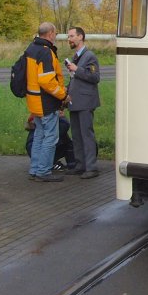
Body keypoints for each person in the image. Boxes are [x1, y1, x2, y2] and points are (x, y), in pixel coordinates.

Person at [25, 22, 67, 182]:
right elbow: (47, 81)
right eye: (55, 34)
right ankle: (43, 171)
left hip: (33, 100)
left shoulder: (31, 49)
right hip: (46, 102)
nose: (55, 36)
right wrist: (63, 95)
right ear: (50, 34)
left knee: (39, 136)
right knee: (50, 137)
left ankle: (35, 169)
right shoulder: (45, 52)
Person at [64, 26, 100, 179]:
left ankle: (91, 167)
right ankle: (80, 165)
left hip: (85, 101)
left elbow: (95, 77)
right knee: (77, 135)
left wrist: (76, 69)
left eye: (72, 36)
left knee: (86, 135)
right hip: (75, 101)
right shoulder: (75, 57)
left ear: (80, 37)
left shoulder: (89, 56)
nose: (69, 39)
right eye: (69, 37)